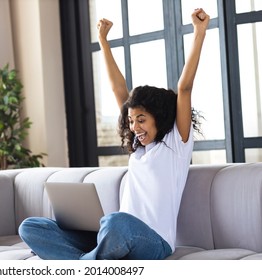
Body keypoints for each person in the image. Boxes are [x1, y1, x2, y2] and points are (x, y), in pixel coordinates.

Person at [18, 8, 210, 260]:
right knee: (31, 227)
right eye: (131, 121)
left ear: (159, 118)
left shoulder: (176, 143)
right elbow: (118, 88)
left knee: (116, 222)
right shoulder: (138, 147)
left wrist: (199, 31)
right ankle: (92, 261)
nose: (135, 127)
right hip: (116, 235)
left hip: (153, 242)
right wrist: (103, 42)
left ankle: (89, 263)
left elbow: (184, 88)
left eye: (141, 120)